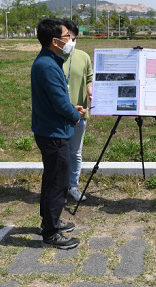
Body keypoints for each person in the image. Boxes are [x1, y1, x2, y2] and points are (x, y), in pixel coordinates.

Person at [31, 18, 85, 249]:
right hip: (54, 133)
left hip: (52, 130)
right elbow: (59, 104)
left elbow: (60, 100)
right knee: (57, 183)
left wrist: (72, 109)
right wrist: (75, 115)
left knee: (53, 180)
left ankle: (49, 222)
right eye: (67, 37)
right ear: (55, 41)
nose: (71, 41)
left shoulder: (50, 61)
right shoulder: (48, 66)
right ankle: (51, 233)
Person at [61, 19, 93, 202]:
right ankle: (60, 188)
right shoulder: (54, 58)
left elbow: (89, 78)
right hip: (60, 113)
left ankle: (73, 185)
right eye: (67, 37)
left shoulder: (83, 57)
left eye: (73, 38)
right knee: (60, 153)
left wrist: (90, 91)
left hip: (80, 113)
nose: (70, 42)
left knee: (75, 152)